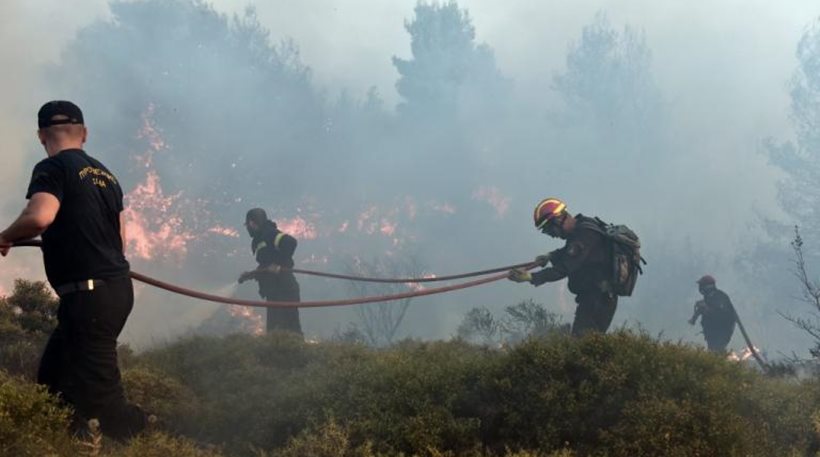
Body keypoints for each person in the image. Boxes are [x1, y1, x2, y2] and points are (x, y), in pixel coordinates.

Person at [0, 100, 149, 439]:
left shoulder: (52, 168)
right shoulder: (106, 176)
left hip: (90, 294)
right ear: (84, 133)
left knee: (106, 398)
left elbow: (39, 217)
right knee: (53, 379)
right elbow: (120, 240)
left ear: (41, 136)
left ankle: (146, 435)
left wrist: (6, 236)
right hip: (112, 290)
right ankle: (70, 439)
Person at [508, 198, 618, 336]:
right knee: (584, 346)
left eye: (550, 229)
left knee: (582, 345)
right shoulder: (581, 228)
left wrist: (531, 277)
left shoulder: (585, 234)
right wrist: (550, 256)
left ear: (560, 219)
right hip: (593, 298)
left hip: (598, 299)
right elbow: (568, 252)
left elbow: (564, 268)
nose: (553, 235)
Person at [238, 208, 302, 335]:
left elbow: (290, 243)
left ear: (252, 223)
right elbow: (266, 265)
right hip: (275, 290)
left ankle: (295, 352)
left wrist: (278, 264)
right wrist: (250, 275)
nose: (247, 229)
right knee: (276, 332)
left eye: (247, 225)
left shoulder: (269, 234)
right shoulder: (261, 238)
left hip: (284, 289)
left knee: (288, 330)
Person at [689, 275, 736, 352]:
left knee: (716, 351)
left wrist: (706, 308)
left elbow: (722, 314)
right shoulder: (709, 297)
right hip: (712, 332)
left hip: (722, 332)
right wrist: (693, 319)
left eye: (701, 285)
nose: (700, 288)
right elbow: (702, 310)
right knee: (713, 351)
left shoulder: (720, 296)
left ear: (707, 286)